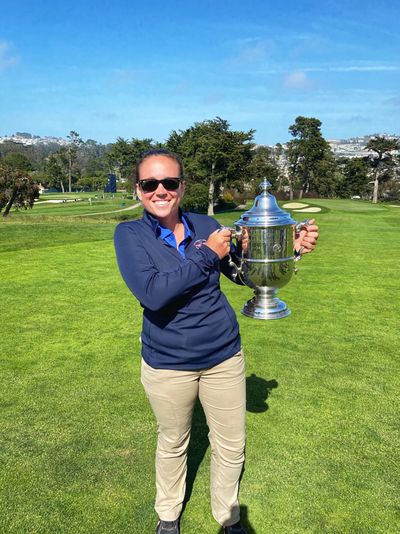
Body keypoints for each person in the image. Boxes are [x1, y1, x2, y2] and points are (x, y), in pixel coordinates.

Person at [114, 149, 319, 534]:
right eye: (150, 184)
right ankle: (169, 514)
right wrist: (208, 253)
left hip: (223, 355)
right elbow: (153, 293)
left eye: (170, 182)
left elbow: (241, 274)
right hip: (167, 363)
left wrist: (285, 252)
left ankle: (228, 516)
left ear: (182, 187)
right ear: (139, 190)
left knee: (230, 443)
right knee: (174, 442)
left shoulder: (204, 222)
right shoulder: (130, 234)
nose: (161, 190)